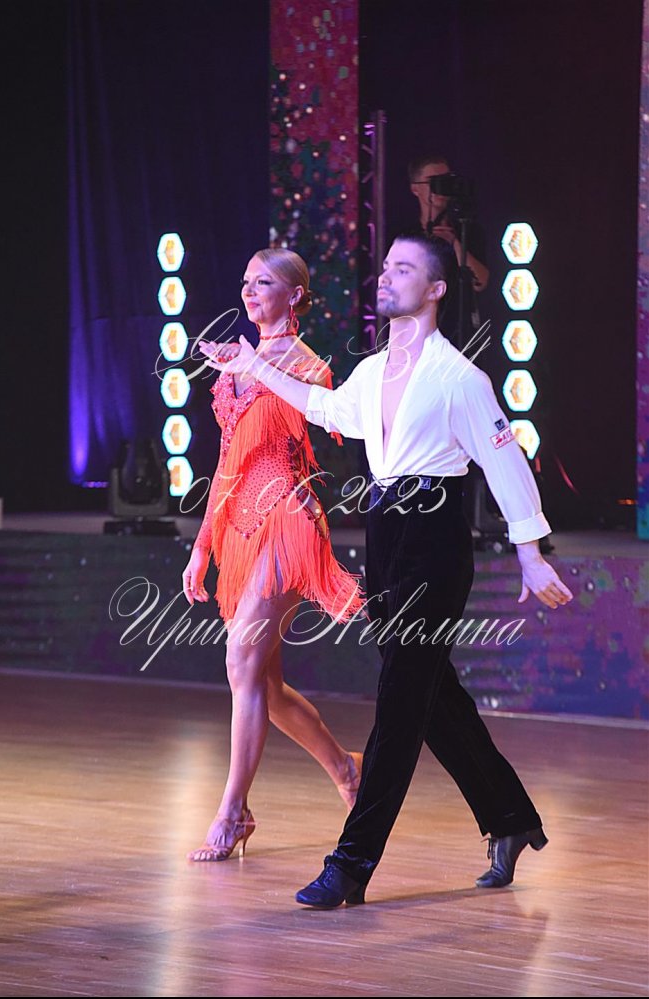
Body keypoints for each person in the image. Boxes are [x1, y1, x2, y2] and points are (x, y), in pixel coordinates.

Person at [199, 233, 573, 903]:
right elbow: (322, 408)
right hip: (386, 530)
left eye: (403, 269)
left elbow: (503, 459)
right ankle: (511, 817)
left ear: (434, 289)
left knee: (400, 702)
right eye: (386, 267)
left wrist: (529, 550)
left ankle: (351, 863)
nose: (386, 276)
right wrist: (253, 364)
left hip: (434, 535)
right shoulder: (372, 373)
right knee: (433, 697)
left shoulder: (461, 379)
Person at [183, 247, 365, 862]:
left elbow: (313, 422)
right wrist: (202, 546)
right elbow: (226, 461)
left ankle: (233, 810)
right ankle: (346, 770)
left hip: (287, 517)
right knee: (264, 680)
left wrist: (253, 364)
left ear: (295, 296)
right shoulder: (234, 365)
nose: (249, 290)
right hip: (239, 524)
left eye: (264, 282)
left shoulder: (306, 366)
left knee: (240, 661)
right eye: (246, 280)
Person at [408, 152, 488, 342]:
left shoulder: (468, 229)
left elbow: (481, 281)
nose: (440, 188)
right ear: (415, 189)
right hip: (418, 334)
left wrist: (455, 243)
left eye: (445, 181)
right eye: (433, 182)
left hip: (461, 334)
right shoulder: (407, 236)